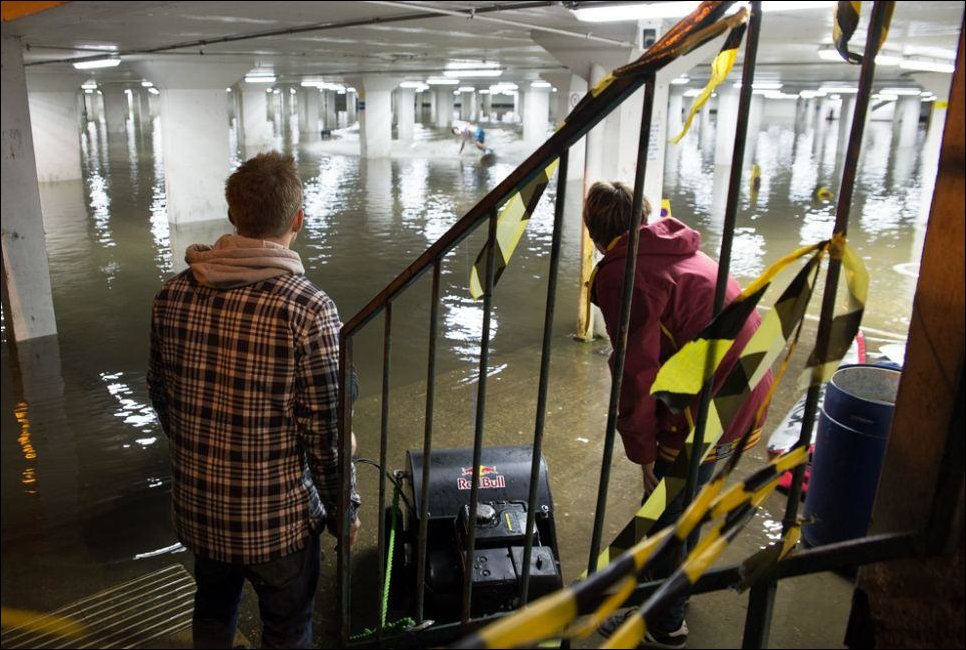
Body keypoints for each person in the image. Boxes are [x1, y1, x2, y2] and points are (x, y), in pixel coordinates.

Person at [148, 151, 361, 649]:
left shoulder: (172, 294)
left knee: (213, 611)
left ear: (232, 216)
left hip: (200, 510)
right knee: (287, 631)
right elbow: (325, 436)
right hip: (277, 525)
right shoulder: (308, 309)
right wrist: (342, 511)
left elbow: (162, 397)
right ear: (298, 221)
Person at [584, 181, 773, 649]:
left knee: (669, 508)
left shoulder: (624, 274)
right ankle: (669, 584)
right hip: (750, 383)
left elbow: (636, 371)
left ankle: (665, 622)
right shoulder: (674, 248)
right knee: (689, 498)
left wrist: (643, 451)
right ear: (644, 214)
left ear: (592, 232)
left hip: (712, 403)